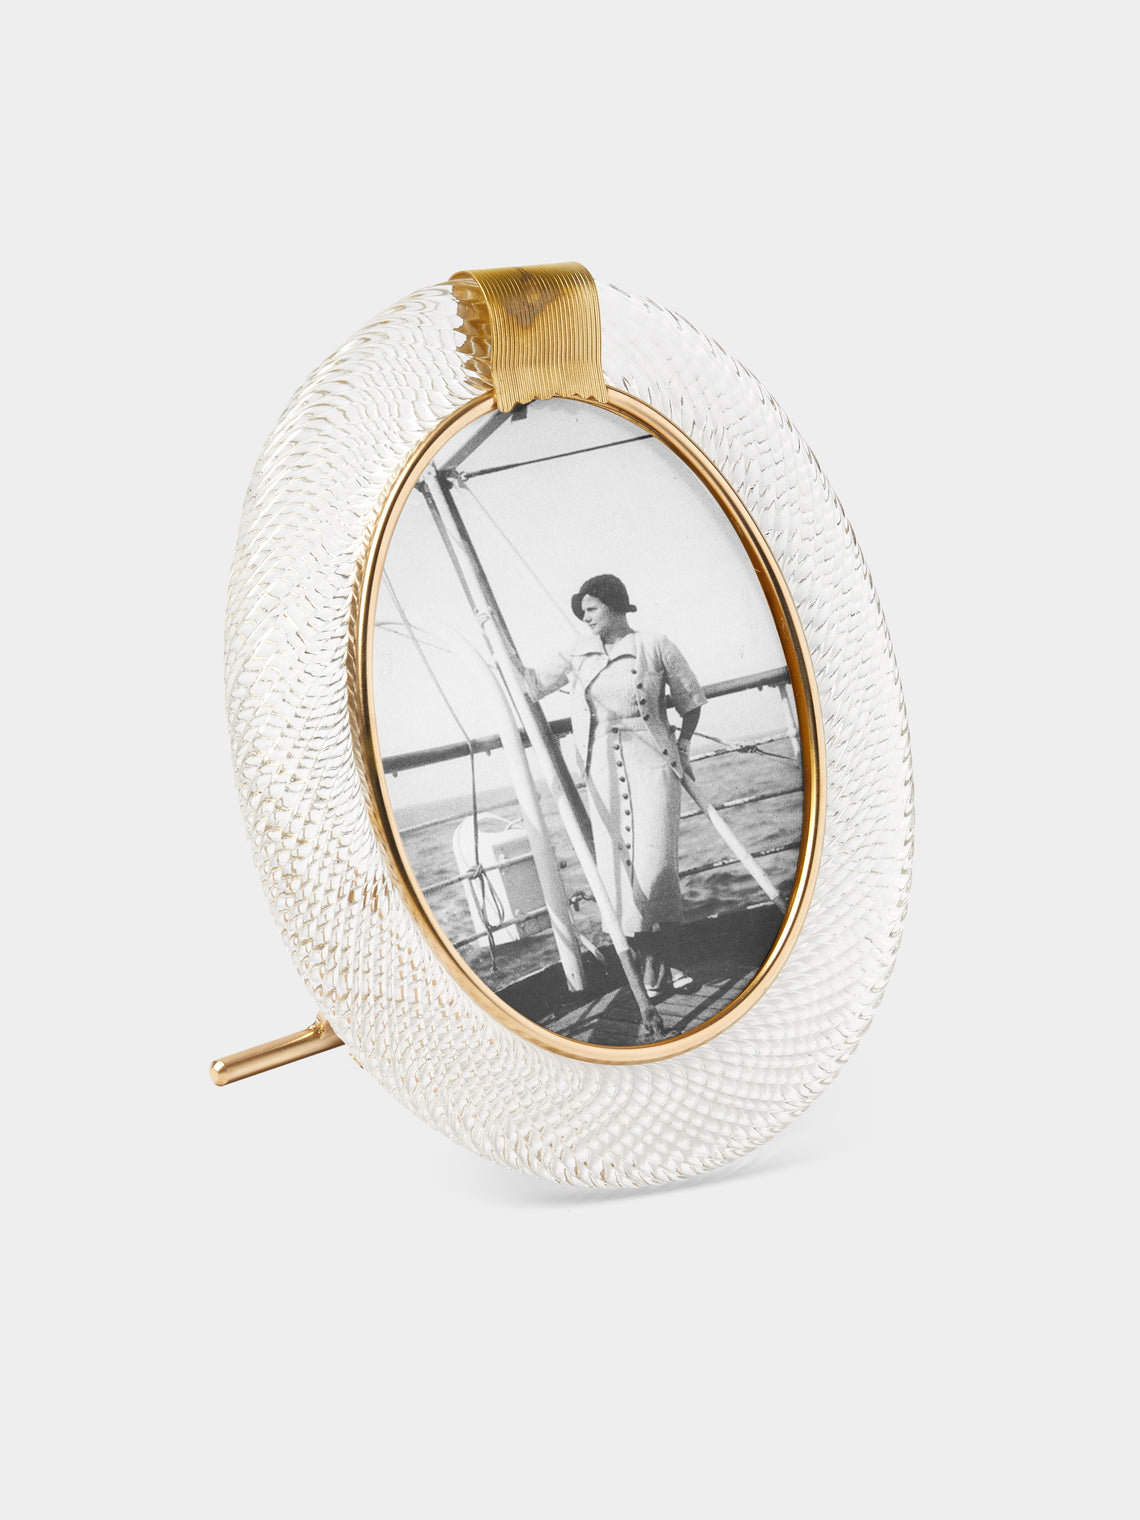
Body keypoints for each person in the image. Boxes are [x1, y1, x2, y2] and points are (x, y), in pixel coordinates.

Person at [527, 573, 705, 1003]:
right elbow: (530, 684)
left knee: (656, 869)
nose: (586, 618)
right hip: (602, 771)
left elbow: (691, 700)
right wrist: (499, 654)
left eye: (592, 609)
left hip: (654, 765)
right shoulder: (576, 652)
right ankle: (659, 965)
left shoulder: (654, 645)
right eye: (582, 612)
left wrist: (682, 747)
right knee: (621, 875)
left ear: (615, 605)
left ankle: (662, 963)